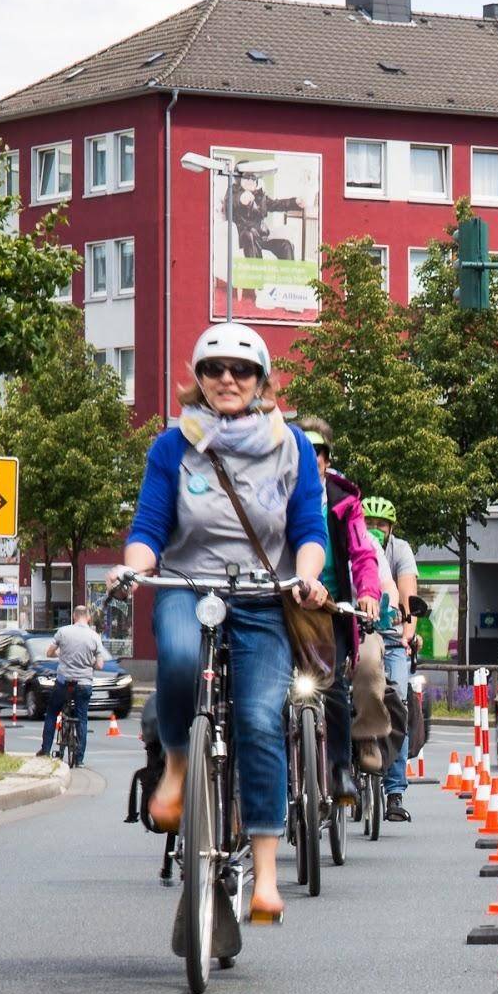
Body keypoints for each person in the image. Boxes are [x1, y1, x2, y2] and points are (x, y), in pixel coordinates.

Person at [117, 322, 329, 925]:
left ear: (262, 380)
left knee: (262, 719)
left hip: (265, 594)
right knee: (182, 660)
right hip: (190, 584)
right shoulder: (172, 445)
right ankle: (179, 768)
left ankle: (265, 878)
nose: (228, 379)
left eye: (241, 370)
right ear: (198, 380)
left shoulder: (292, 447)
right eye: (214, 370)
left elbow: (308, 529)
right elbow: (149, 528)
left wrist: (307, 575)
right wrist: (133, 570)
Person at [295, 416, 382, 810]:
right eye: (303, 451)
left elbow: (363, 553)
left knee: (332, 688)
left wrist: (367, 593)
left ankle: (339, 767)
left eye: (318, 453)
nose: (311, 460)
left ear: (327, 460)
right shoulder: (278, 494)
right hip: (287, 603)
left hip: (333, 607)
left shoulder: (345, 502)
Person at [362, 496, 418, 822]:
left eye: (381, 523)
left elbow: (407, 597)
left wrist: (407, 633)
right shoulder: (353, 541)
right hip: (361, 632)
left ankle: (394, 790)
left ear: (391, 528)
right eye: (369, 522)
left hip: (393, 637)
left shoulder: (400, 551)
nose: (374, 528)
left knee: (398, 698)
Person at [39, 605, 106, 766]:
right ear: (88, 617)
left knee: (52, 713)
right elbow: (100, 665)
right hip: (84, 683)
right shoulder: (94, 637)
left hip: (64, 682)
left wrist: (60, 655)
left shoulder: (63, 632)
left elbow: (49, 652)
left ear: (74, 617)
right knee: (82, 718)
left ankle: (46, 750)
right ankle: (80, 758)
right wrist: (89, 663)